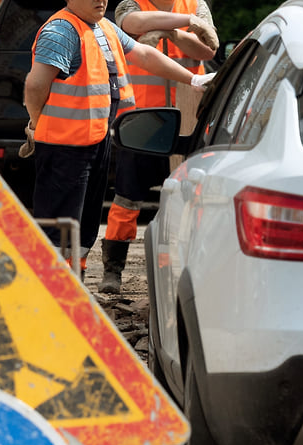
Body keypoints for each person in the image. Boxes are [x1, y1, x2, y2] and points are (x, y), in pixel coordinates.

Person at [22, 0, 215, 282]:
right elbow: (35, 85)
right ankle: (52, 290)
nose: (100, 0)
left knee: (84, 225)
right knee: (61, 230)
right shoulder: (62, 31)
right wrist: (38, 123)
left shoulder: (103, 27)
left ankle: (74, 285)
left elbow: (145, 55)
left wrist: (193, 80)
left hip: (94, 140)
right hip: (64, 147)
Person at [100, 0, 217, 294]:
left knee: (190, 196)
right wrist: (183, 23)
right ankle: (113, 269)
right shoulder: (130, 4)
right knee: (127, 197)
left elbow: (206, 50)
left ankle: (188, 269)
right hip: (141, 119)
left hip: (188, 117)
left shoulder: (196, 4)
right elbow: (132, 25)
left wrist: (172, 33)